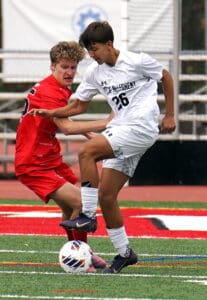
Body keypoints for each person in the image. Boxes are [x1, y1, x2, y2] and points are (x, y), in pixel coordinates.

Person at [29, 21, 176, 273]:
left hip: (141, 127)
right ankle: (125, 253)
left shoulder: (136, 61)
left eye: (95, 49)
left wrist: (170, 115)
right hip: (122, 130)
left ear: (109, 44)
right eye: (89, 51)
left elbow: (166, 76)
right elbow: (79, 106)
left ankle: (86, 215)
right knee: (107, 196)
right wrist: (52, 111)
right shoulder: (95, 73)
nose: (92, 55)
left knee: (87, 151)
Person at [15, 41, 109, 270]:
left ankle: (81, 255)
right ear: (52, 67)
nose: (69, 72)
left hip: (48, 156)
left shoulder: (55, 88)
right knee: (80, 202)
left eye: (72, 67)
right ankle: (81, 255)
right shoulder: (51, 93)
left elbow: (63, 121)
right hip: (33, 162)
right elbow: (66, 128)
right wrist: (106, 122)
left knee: (71, 208)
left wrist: (92, 134)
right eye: (63, 67)